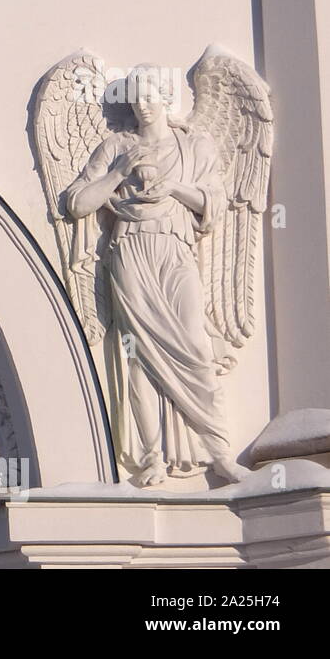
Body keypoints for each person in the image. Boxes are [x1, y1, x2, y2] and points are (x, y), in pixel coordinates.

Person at [64, 65, 245, 486]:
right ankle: (151, 458)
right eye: (135, 98)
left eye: (149, 96)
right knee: (138, 356)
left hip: (176, 249)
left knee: (196, 346)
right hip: (130, 250)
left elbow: (213, 201)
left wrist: (172, 189)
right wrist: (117, 172)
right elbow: (77, 204)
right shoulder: (116, 147)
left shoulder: (194, 146)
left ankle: (218, 450)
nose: (142, 105)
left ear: (166, 97)